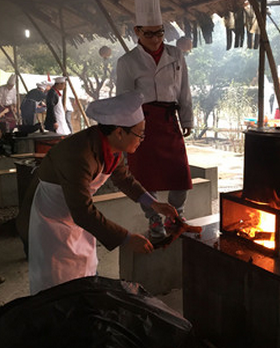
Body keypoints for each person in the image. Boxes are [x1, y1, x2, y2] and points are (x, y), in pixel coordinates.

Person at [18, 91, 178, 295]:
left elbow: (124, 178)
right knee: (56, 281)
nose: (142, 139)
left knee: (84, 269)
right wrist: (127, 238)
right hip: (51, 217)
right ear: (119, 132)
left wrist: (153, 204)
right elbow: (83, 212)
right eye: (140, 134)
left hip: (75, 214)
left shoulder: (111, 146)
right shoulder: (80, 154)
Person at [116, 0, 193, 243]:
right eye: (149, 34)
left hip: (170, 121)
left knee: (180, 175)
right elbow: (124, 100)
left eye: (159, 32)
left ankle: (175, 216)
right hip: (142, 125)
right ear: (137, 32)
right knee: (145, 178)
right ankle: (154, 221)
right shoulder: (127, 62)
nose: (156, 38)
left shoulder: (176, 54)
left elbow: (184, 91)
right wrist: (126, 134)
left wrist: (188, 119)